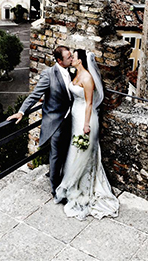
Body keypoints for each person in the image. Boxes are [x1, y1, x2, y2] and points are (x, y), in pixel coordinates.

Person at [55, 49, 119, 220]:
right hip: (75, 116)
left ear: (81, 60)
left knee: (84, 153)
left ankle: (85, 190)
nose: (71, 59)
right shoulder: (75, 74)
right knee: (75, 150)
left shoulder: (87, 78)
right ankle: (74, 186)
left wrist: (86, 125)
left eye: (74, 57)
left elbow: (90, 103)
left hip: (86, 119)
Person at [7, 45, 74, 198]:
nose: (72, 58)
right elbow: (34, 95)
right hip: (55, 122)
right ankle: (55, 190)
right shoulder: (48, 75)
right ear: (59, 60)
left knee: (65, 151)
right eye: (68, 57)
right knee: (55, 156)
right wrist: (21, 112)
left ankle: (61, 177)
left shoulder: (70, 71)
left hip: (69, 119)